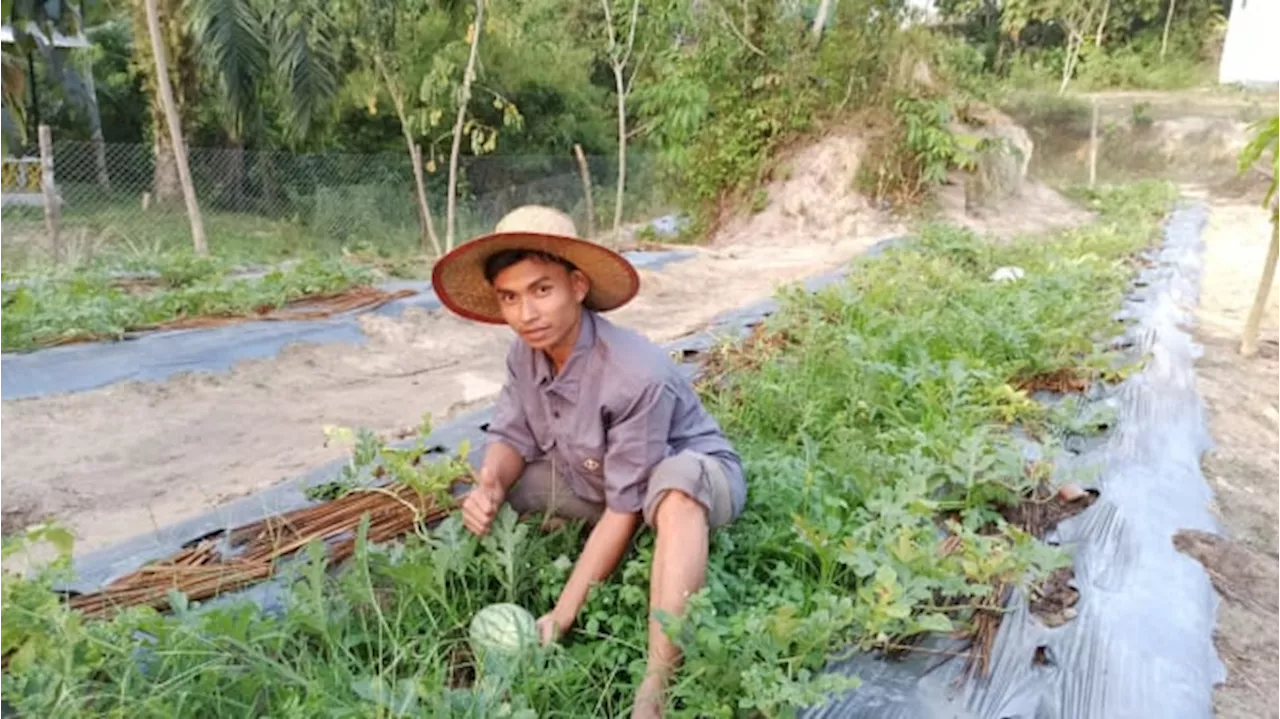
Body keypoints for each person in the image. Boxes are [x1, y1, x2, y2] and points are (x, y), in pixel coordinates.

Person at [431, 205, 747, 718]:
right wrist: (489, 484)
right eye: (509, 298)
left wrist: (562, 613)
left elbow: (626, 505)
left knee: (676, 491)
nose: (525, 314)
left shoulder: (634, 373)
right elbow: (511, 431)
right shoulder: (524, 353)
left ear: (577, 286)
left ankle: (656, 690)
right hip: (595, 477)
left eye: (541, 290)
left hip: (689, 473)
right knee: (485, 487)